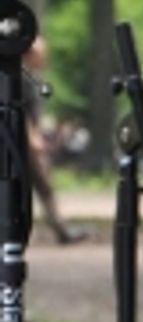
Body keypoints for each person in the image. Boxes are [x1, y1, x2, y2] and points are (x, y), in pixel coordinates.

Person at [22, 36, 86, 245]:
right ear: (29, 53)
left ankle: (61, 230)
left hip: (25, 141)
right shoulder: (19, 77)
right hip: (20, 142)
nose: (44, 59)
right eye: (41, 54)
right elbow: (19, 111)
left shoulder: (29, 77)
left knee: (44, 186)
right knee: (41, 185)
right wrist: (33, 138)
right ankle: (61, 230)